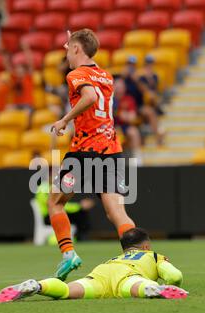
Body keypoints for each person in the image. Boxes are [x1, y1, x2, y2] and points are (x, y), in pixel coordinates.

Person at [49, 29, 136, 281]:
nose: (66, 52)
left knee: (55, 202)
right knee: (116, 212)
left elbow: (88, 96)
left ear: (76, 49)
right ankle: (136, 257)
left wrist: (65, 119)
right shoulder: (106, 76)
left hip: (84, 152)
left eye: (68, 48)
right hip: (111, 150)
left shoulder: (76, 74)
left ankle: (68, 254)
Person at [0, 228, 188, 303]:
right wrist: (172, 282)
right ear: (146, 246)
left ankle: (37, 286)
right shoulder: (153, 255)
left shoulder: (117, 257)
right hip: (128, 274)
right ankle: (151, 289)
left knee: (67, 291)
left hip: (101, 273)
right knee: (135, 286)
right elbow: (174, 276)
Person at [122, 56, 164, 145]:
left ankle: (158, 136)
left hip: (137, 106)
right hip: (126, 106)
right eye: (129, 64)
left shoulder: (138, 78)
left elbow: (146, 90)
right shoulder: (123, 79)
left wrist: (136, 80)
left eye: (133, 65)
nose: (131, 67)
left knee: (150, 111)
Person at [113, 77, 142, 164]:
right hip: (111, 127)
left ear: (124, 88)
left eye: (120, 87)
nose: (118, 90)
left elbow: (132, 117)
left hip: (124, 126)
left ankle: (137, 161)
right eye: (116, 87)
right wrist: (122, 114)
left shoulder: (129, 99)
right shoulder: (109, 100)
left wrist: (120, 114)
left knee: (134, 132)